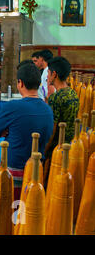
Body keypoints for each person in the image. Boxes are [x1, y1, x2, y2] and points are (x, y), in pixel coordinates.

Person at [0, 61, 54, 201]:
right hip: (37, 173)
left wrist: (6, 130)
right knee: (28, 214)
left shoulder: (13, 107)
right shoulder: (48, 110)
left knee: (9, 213)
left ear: (20, 83)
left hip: (14, 171)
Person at [43, 56, 79, 188]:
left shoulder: (56, 98)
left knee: (50, 185)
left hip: (56, 149)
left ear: (54, 74)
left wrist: (44, 152)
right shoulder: (73, 94)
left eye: (48, 73)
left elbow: (52, 129)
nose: (47, 76)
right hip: (70, 146)